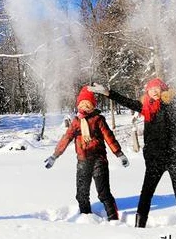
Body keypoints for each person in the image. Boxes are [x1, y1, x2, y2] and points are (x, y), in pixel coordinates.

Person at [88, 60, 176, 227]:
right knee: (146, 193)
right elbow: (124, 101)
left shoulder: (171, 104)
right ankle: (140, 225)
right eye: (151, 88)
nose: (154, 91)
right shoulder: (144, 108)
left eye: (157, 88)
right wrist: (107, 92)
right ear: (147, 91)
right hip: (155, 159)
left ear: (163, 90)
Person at [44, 86, 129, 220]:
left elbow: (109, 137)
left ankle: (114, 219)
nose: (85, 106)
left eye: (88, 104)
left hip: (99, 160)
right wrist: (55, 156)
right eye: (82, 103)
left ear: (93, 106)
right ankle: (86, 217)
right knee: (81, 194)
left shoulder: (98, 120)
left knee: (103, 193)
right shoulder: (76, 122)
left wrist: (119, 154)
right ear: (78, 105)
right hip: (83, 161)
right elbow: (66, 138)